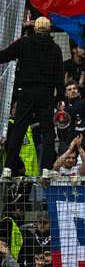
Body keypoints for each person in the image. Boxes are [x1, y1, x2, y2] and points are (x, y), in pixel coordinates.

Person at [0, 16, 65, 175]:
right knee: (48, 131)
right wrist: (60, 97)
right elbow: (59, 75)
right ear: (49, 30)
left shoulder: (24, 42)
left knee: (18, 129)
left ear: (35, 28)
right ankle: (46, 169)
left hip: (26, 92)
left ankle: (8, 167)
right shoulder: (55, 48)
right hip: (46, 94)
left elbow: (4, 56)